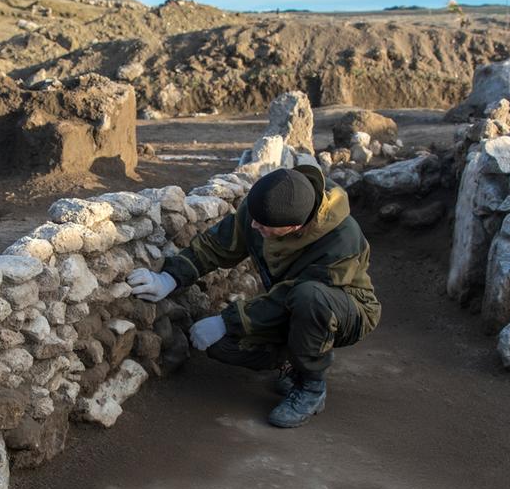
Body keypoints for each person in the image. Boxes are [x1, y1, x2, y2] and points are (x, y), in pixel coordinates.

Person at [127, 164, 381, 428]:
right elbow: (218, 245)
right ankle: (292, 362)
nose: (253, 225)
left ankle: (311, 387)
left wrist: (228, 320)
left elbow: (291, 296)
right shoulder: (268, 204)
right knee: (220, 345)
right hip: (291, 307)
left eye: (263, 225)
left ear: (294, 227)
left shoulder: (342, 239)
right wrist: (169, 278)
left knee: (309, 297)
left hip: (345, 309)